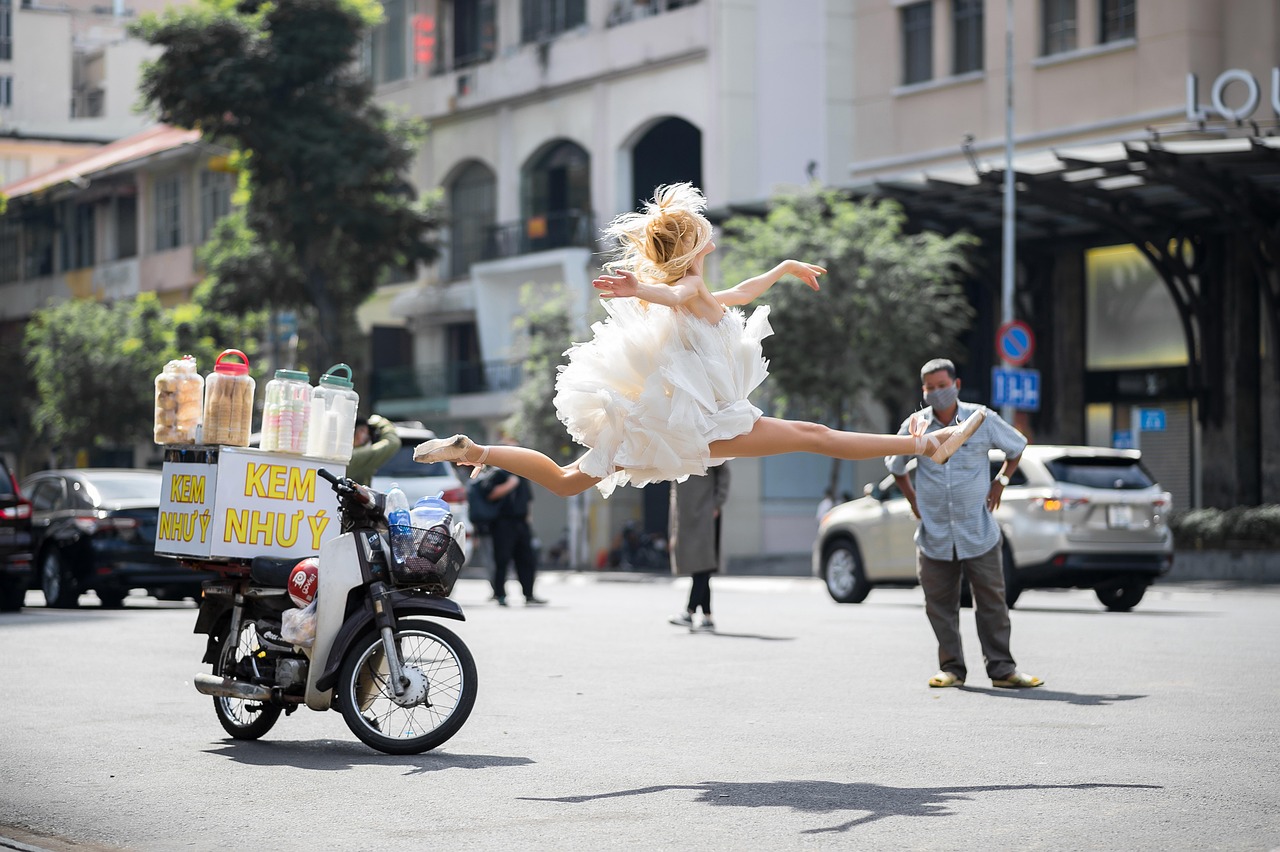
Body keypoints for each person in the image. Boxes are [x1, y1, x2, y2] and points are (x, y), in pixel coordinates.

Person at [412, 183, 983, 497]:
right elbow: (680, 297)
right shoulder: (686, 290)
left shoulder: (701, 292)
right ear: (697, 246)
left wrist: (785, 266)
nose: (713, 240)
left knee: (565, 482)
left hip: (666, 427)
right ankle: (927, 446)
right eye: (707, 237)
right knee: (816, 433)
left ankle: (476, 452)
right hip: (705, 424)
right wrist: (642, 286)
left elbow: (739, 291)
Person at [886, 358, 1043, 690]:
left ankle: (1002, 670)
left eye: (942, 386)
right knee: (939, 605)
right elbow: (896, 465)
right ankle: (952, 669)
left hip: (978, 531)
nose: (936, 393)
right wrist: (913, 500)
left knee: (992, 603)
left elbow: (1017, 446)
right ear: (923, 391)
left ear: (956, 385)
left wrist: (1001, 480)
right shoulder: (916, 424)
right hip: (935, 534)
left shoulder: (980, 418)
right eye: (929, 388)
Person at [473, 458, 546, 607]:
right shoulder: (498, 474)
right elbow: (491, 494)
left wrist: (528, 522)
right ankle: (500, 594)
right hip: (502, 523)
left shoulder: (522, 476)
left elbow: (528, 500)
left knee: (527, 559)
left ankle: (529, 594)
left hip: (521, 523)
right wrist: (510, 484)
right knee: (502, 560)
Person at [668, 463, 731, 633]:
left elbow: (724, 470)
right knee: (701, 563)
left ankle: (689, 611)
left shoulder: (708, 438)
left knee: (703, 562)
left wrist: (717, 502)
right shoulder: (678, 440)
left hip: (704, 510)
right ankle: (707, 616)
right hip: (687, 512)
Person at [346, 414, 401, 486]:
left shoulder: (341, 454)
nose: (368, 436)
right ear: (361, 431)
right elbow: (393, 442)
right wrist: (381, 423)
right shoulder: (356, 456)